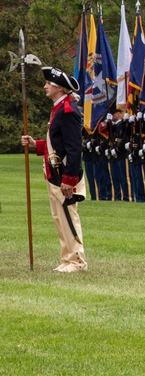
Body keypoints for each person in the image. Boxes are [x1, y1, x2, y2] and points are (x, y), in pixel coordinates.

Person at [21, 66, 88, 273]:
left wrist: (69, 179)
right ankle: (67, 257)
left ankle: (77, 260)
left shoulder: (67, 110)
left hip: (64, 175)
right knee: (59, 217)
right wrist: (36, 145)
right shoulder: (60, 107)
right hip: (54, 172)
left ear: (59, 88)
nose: (45, 86)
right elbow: (56, 143)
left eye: (48, 84)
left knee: (68, 216)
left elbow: (74, 148)